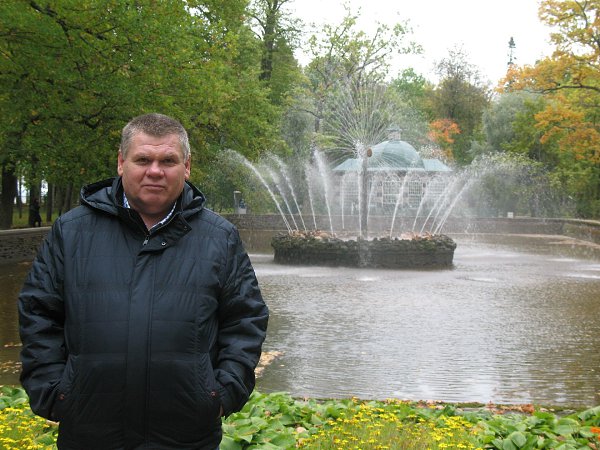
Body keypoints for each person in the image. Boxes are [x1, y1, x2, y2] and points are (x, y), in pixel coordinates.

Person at [18, 113, 269, 450]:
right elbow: (38, 313)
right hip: (90, 432)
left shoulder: (219, 238)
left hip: (186, 435)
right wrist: (55, 391)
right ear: (121, 163)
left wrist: (222, 393)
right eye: (143, 160)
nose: (155, 171)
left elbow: (245, 319)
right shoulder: (72, 232)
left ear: (186, 167)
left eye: (168, 161)